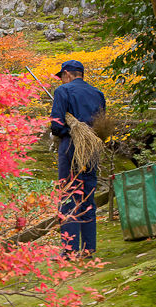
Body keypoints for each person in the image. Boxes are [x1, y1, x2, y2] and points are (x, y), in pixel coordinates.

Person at [50, 59, 106, 257]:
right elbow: (101, 125)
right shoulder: (98, 94)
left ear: (66, 74)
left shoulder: (62, 92)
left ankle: (69, 250)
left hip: (71, 148)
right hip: (91, 148)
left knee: (69, 196)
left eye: (62, 77)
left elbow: (56, 125)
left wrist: (66, 128)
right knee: (87, 197)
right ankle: (88, 249)